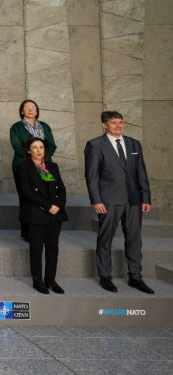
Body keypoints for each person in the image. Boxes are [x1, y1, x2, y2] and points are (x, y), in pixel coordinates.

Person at [84, 111, 154, 294]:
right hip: (108, 200)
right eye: (113, 122)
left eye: (121, 122)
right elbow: (91, 176)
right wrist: (96, 200)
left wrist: (145, 197)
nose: (118, 125)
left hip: (133, 200)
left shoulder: (134, 144)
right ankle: (105, 277)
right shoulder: (95, 145)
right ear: (104, 125)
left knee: (134, 238)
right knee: (105, 238)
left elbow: (141, 173)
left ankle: (135, 276)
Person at [14, 136, 67, 294]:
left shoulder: (52, 166)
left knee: (52, 248)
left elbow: (61, 189)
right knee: (36, 247)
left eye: (41, 147)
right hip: (36, 213)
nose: (39, 150)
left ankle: (50, 279)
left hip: (55, 214)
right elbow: (26, 192)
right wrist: (48, 206)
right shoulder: (23, 167)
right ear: (29, 150)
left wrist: (58, 205)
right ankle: (37, 280)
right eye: (35, 147)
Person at [10, 99, 57, 240]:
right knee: (27, 197)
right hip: (23, 165)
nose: (30, 110)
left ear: (37, 111)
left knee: (45, 195)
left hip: (44, 164)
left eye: (33, 107)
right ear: (21, 111)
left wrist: (43, 158)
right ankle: (27, 233)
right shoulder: (16, 127)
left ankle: (44, 228)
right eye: (27, 107)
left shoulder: (45, 126)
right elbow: (16, 146)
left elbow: (52, 145)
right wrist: (32, 160)